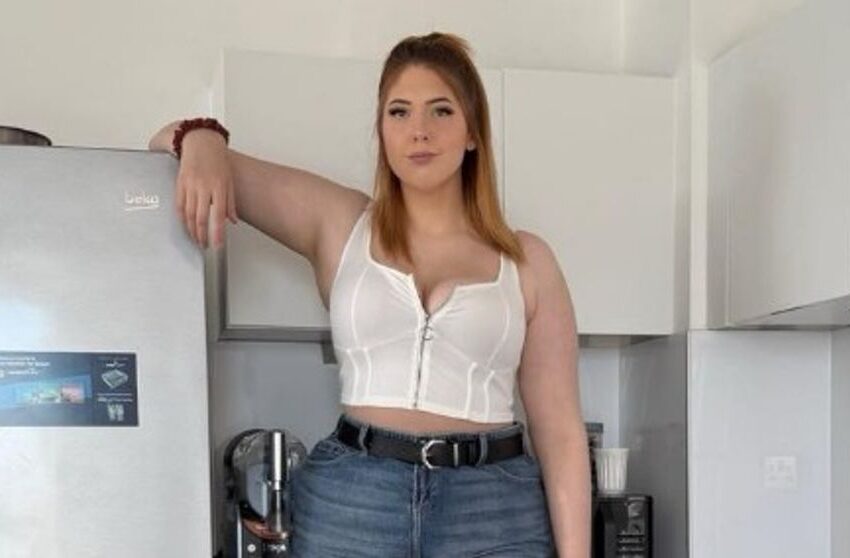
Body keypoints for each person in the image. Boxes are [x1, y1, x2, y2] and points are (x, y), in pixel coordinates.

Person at [149, 32, 590, 558]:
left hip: (492, 510)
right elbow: (166, 142)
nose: (419, 130)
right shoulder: (340, 224)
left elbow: (561, 433)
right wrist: (203, 138)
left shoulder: (528, 261)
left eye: (441, 110)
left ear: (473, 131)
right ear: (381, 130)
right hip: (354, 502)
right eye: (399, 112)